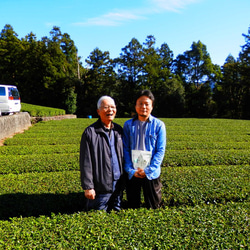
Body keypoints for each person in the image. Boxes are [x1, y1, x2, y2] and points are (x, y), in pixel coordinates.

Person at [123, 90, 166, 209]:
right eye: (140, 103)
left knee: (154, 206)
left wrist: (148, 170)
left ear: (152, 106)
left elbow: (160, 151)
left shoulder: (159, 125)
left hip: (151, 174)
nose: (143, 107)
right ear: (136, 106)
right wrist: (130, 170)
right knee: (132, 206)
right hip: (133, 172)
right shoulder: (128, 125)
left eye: (147, 104)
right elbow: (125, 149)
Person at [80, 96, 124, 211]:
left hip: (118, 187)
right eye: (106, 107)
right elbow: (85, 162)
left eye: (113, 107)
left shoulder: (119, 130)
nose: (110, 110)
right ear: (98, 111)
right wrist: (88, 187)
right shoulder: (90, 132)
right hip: (100, 189)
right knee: (98, 221)